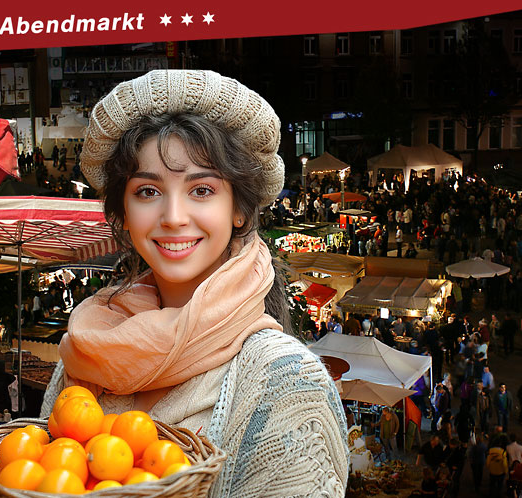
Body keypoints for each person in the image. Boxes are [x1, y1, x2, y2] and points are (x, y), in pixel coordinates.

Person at [39, 70, 348, 496]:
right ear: (124, 215)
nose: (173, 216)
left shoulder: (288, 386)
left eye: (201, 190)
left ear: (239, 208)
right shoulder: (85, 351)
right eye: (147, 191)